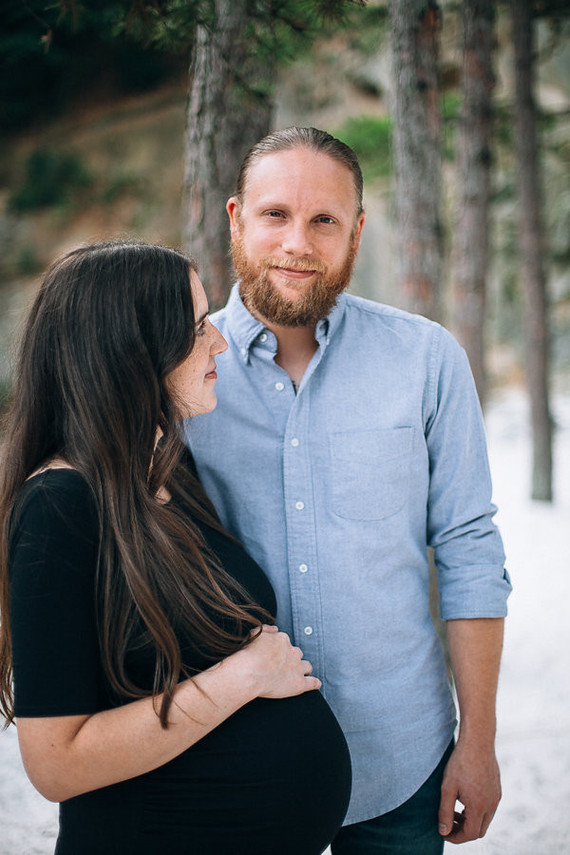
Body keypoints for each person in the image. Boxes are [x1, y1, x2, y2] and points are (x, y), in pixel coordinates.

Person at [184, 127, 513, 854]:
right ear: (236, 218)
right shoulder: (178, 370)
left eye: (324, 219)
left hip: (401, 758)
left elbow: (469, 549)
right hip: (237, 763)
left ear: (357, 232)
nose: (298, 241)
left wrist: (479, 743)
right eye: (276, 214)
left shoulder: (426, 359)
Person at [0, 240, 352, 855]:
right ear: (129, 352)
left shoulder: (166, 472)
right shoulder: (59, 509)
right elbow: (55, 763)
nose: (218, 342)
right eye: (195, 329)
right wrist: (242, 678)